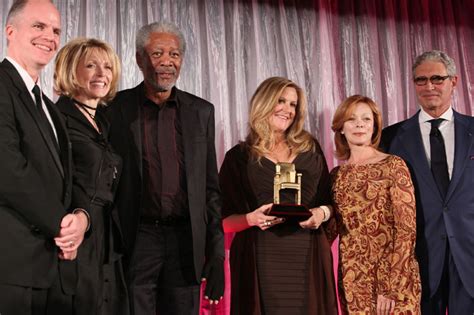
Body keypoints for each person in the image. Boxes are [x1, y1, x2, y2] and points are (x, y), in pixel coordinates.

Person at [105, 21, 224, 314]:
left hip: (186, 241)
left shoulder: (201, 111)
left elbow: (210, 188)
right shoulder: (113, 108)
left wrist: (217, 251)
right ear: (139, 59)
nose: (167, 62)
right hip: (136, 239)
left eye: (175, 54)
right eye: (157, 53)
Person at [219, 76, 338, 315]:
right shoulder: (239, 157)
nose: (288, 110)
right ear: (263, 103)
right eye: (281, 101)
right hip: (259, 257)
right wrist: (250, 219)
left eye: (293, 104)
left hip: (308, 254)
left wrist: (321, 213)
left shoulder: (311, 149)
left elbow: (331, 203)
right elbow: (220, 221)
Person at [0, 1, 90, 314]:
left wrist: (81, 219)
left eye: (55, 30)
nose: (49, 36)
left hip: (53, 269)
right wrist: (61, 225)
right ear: (10, 31)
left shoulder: (52, 108)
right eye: (38, 26)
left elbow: (68, 178)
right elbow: (8, 170)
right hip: (11, 269)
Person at [381, 50, 474, 314]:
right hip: (419, 260)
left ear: (453, 81)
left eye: (437, 78)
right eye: (420, 80)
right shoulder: (391, 138)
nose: (429, 86)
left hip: (469, 257)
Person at [53, 37, 129, 315]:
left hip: (108, 236)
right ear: (72, 71)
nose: (102, 74)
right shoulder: (57, 118)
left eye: (107, 67)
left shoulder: (105, 122)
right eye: (91, 66)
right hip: (75, 231)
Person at [328, 95, 421, 314]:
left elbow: (406, 230)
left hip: (392, 281)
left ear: (374, 126)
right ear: (341, 127)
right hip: (353, 281)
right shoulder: (336, 176)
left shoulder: (393, 166)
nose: (359, 124)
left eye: (366, 119)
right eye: (351, 119)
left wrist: (390, 288)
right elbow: (331, 231)